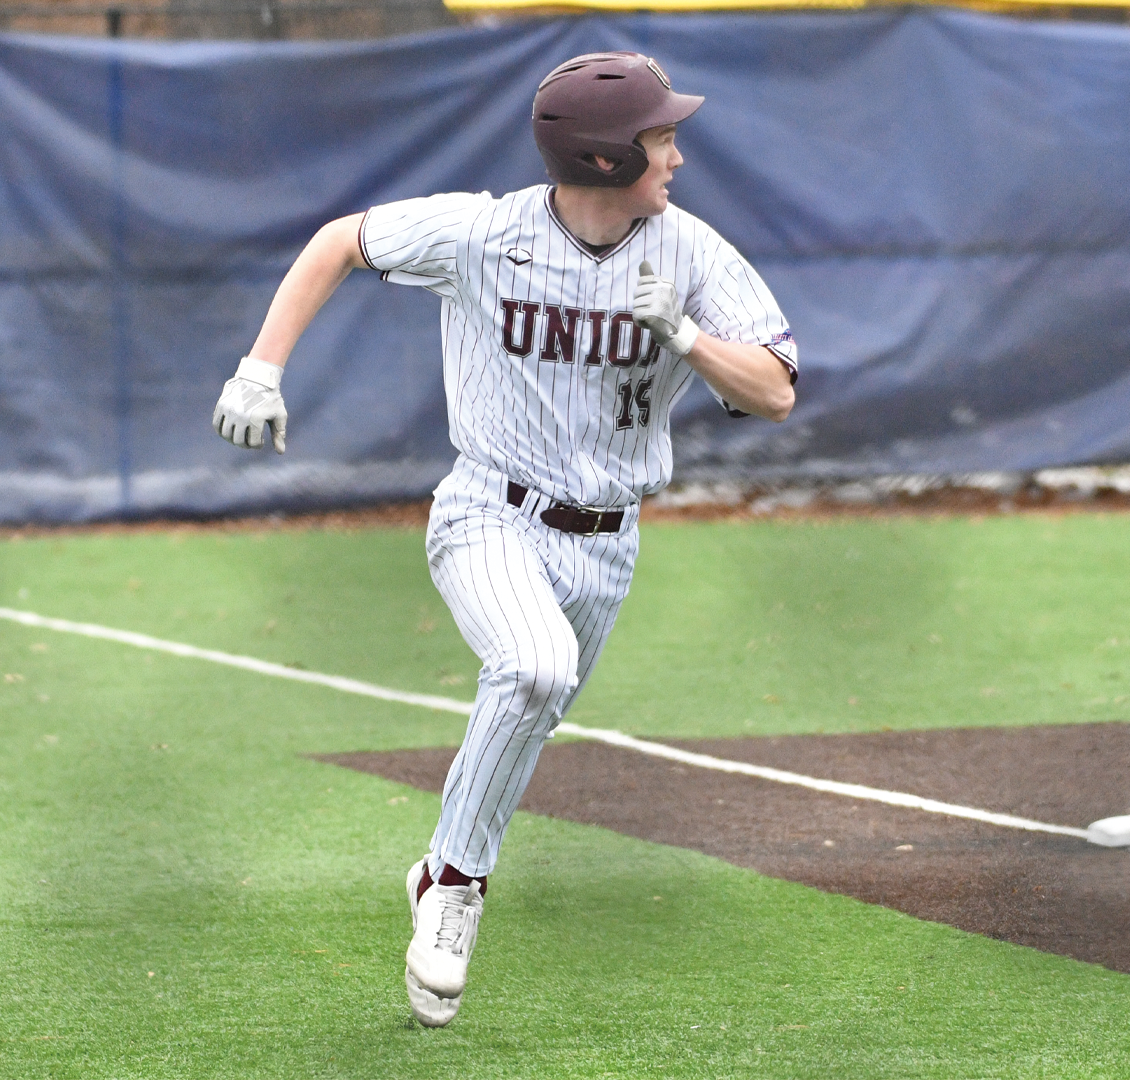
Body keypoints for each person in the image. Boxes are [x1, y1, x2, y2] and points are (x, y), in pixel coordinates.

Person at [211, 50, 798, 1026]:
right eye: (660, 139)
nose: (678, 156)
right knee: (531, 667)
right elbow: (339, 241)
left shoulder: (690, 253)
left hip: (608, 547)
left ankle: (440, 867)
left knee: (537, 697)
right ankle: (455, 887)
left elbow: (776, 390)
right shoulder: (485, 234)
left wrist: (689, 340)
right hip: (489, 510)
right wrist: (259, 369)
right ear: (608, 159)